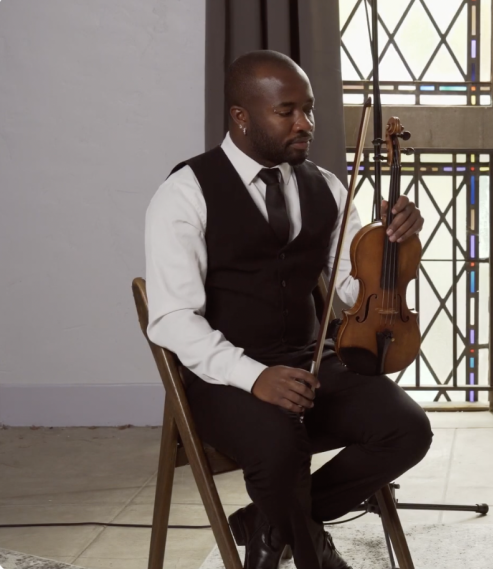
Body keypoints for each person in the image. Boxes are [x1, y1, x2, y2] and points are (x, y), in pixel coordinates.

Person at [144, 50, 432, 569]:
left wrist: (390, 245)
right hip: (222, 379)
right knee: (279, 444)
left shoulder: (328, 187)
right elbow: (171, 319)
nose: (306, 124)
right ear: (241, 116)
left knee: (407, 428)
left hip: (311, 361)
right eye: (287, 112)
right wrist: (254, 377)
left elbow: (353, 291)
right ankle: (312, 551)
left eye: (309, 109)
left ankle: (268, 522)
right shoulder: (185, 193)